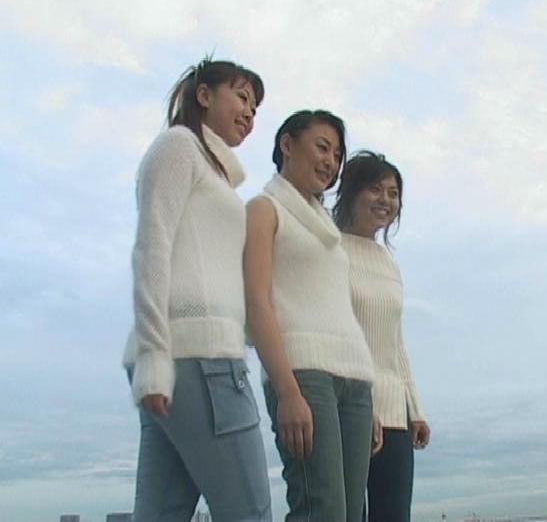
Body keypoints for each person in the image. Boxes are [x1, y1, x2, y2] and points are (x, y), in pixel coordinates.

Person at [121, 57, 272, 522]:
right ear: (203, 95)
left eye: (255, 107)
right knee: (250, 513)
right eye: (242, 97)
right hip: (200, 360)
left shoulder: (214, 175)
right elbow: (152, 246)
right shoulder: (179, 145)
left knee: (161, 514)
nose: (250, 113)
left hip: (186, 360)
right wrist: (153, 357)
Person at [243, 110, 377, 522]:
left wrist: (367, 394)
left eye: (337, 154)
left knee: (352, 514)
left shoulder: (329, 232)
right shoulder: (264, 209)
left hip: (354, 379)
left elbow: (338, 309)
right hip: (304, 375)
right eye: (322, 147)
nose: (331, 162)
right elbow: (256, 302)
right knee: (322, 511)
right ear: (287, 144)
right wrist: (287, 391)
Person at [333, 150, 431, 522]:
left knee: (394, 515)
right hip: (350, 407)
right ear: (351, 192)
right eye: (375, 189)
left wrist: (415, 409)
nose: (385, 200)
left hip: (395, 414)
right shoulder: (331, 250)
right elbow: (336, 333)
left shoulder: (389, 263)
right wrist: (363, 404)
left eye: (393, 193)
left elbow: (394, 341)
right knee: (347, 514)